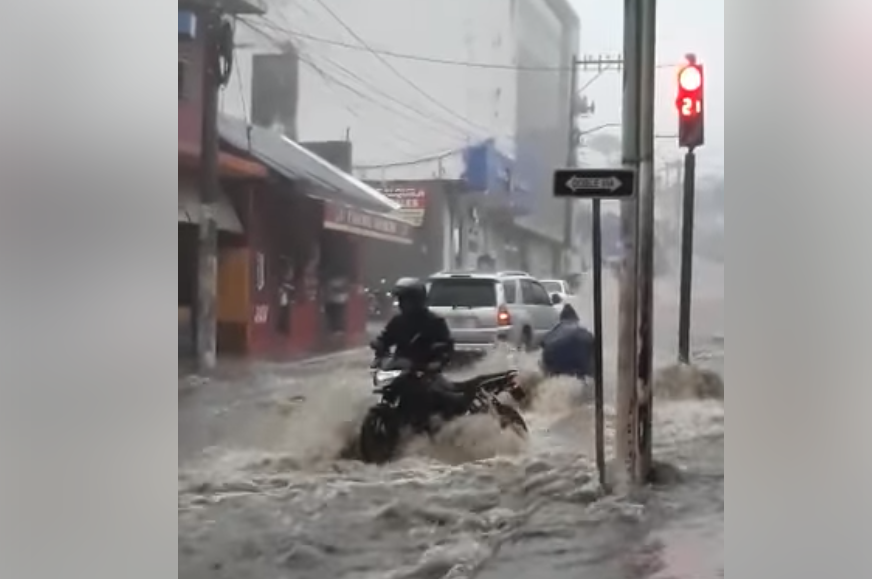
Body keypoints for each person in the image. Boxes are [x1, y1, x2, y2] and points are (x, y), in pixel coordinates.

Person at [370, 278, 459, 425]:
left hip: (424, 372)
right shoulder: (398, 321)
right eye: (401, 300)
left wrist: (437, 361)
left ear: (417, 300)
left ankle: (430, 428)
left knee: (430, 396)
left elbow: (446, 346)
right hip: (401, 369)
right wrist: (379, 347)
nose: (402, 304)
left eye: (406, 300)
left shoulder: (434, 322)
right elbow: (385, 338)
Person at [540, 304, 595, 380]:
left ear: (561, 319)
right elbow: (591, 341)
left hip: (553, 356)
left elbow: (543, 342)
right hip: (577, 360)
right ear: (576, 319)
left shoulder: (556, 329)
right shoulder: (582, 330)